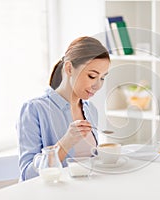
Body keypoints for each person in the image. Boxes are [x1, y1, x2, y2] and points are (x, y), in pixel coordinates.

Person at [16, 36, 110, 181]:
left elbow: (90, 163)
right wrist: (66, 142)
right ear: (69, 68)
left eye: (102, 78)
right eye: (92, 76)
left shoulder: (90, 109)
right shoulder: (34, 109)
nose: (98, 86)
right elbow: (27, 175)